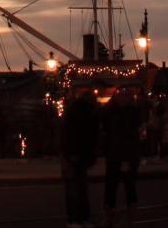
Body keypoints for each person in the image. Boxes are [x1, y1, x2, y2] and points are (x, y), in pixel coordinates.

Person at [102, 85, 143, 226]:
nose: (122, 98)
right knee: (112, 186)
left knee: (127, 185)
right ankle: (112, 213)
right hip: (116, 154)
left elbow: (129, 137)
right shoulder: (114, 112)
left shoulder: (129, 113)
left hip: (125, 154)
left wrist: (127, 157)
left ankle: (128, 215)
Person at [60, 85, 100, 228]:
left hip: (72, 154)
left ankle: (76, 219)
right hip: (77, 154)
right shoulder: (88, 113)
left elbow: (67, 135)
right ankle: (78, 218)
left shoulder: (73, 111)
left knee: (75, 189)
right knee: (78, 189)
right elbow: (87, 137)